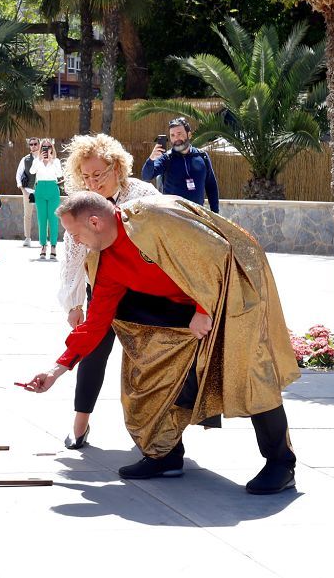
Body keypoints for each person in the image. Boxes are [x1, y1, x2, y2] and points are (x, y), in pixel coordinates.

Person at [22, 192, 300, 495]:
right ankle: (164, 454)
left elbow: (218, 251)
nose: (75, 241)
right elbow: (96, 323)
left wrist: (203, 308)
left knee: (249, 373)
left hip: (237, 283)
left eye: (75, 234)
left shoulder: (154, 217)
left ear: (94, 221)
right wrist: (56, 370)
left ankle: (281, 464)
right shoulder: (105, 260)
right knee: (154, 364)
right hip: (185, 301)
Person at [57, 133, 161, 449]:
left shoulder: (143, 195)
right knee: (92, 353)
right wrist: (73, 303)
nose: (92, 182)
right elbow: (71, 254)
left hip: (143, 292)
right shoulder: (82, 203)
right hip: (100, 289)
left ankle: (155, 434)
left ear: (116, 167)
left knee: (148, 363)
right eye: (85, 176)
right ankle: (80, 425)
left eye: (98, 174)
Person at [141, 117, 220, 213]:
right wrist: (151, 159)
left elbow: (211, 186)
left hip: (197, 216)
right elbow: (146, 176)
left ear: (189, 134)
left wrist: (215, 213)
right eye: (172, 135)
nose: (176, 138)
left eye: (179, 134)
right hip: (173, 219)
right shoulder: (166, 158)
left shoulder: (202, 156)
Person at [30, 138, 62, 259]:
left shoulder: (56, 161)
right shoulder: (37, 160)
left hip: (53, 188)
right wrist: (40, 160)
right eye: (44, 146)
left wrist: (50, 160)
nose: (46, 149)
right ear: (41, 148)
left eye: (49, 147)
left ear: (52, 148)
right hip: (40, 189)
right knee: (42, 219)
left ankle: (53, 245)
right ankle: (43, 246)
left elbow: (59, 175)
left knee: (53, 219)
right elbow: (32, 171)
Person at [15, 137, 40, 247]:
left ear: (39, 145)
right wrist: (23, 191)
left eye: (35, 144)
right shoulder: (25, 159)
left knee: (43, 216)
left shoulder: (44, 158)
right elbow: (18, 175)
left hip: (41, 191)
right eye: (31, 144)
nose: (33, 146)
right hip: (28, 191)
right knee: (27, 215)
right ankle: (27, 238)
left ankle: (43, 239)